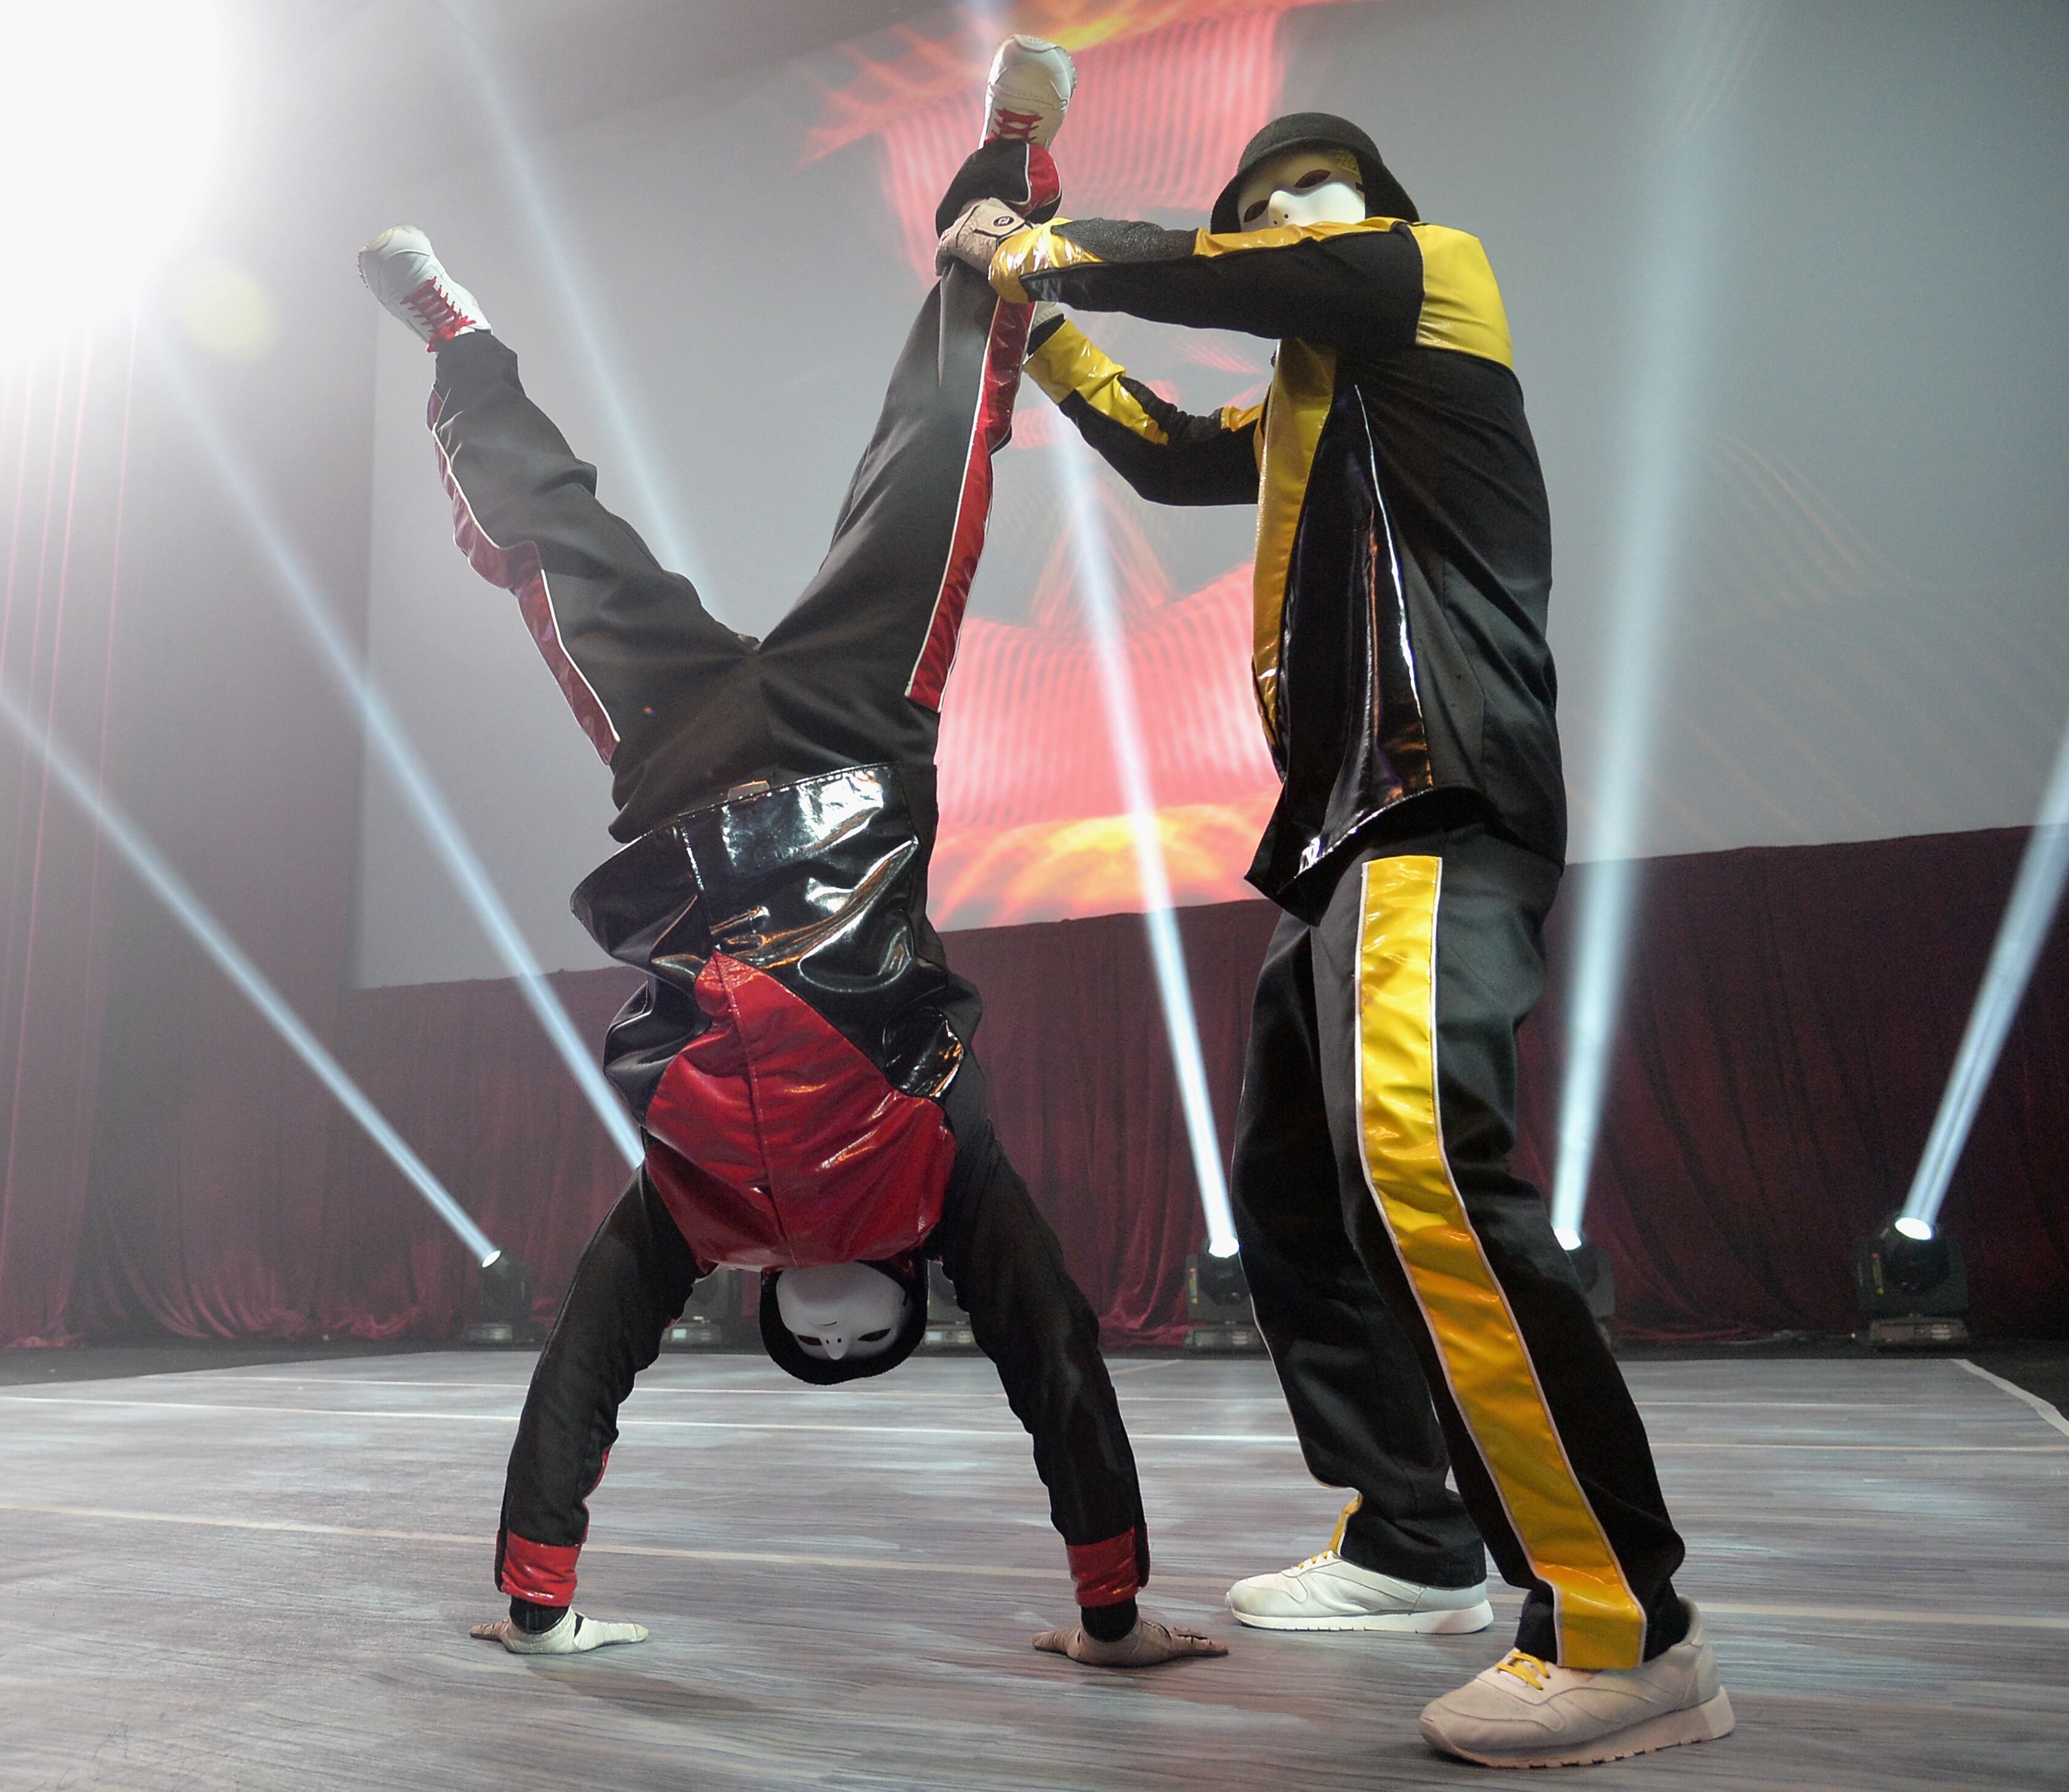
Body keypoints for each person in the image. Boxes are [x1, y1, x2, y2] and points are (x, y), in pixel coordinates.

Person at [356, 38, 1221, 1673]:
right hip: (710, 768)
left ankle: (1009, 163)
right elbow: (591, 1367)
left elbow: (1052, 1348)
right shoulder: (698, 1207)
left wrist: (1116, 1598)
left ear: (903, 1274)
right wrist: (533, 1596)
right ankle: (461, 345)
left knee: (928, 453)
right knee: (588, 546)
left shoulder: (921, 1174)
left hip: (825, 744)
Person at [941, 113, 1734, 1764]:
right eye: (1265, 203)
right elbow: (1166, 448)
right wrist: (1038, 328)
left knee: (1423, 1162)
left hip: (1437, 795)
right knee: (1295, 1188)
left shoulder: (1427, 284)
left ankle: (1620, 1618)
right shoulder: (1312, 399)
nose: (1293, 220)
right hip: (1340, 837)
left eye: (1318, 198)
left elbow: (1262, 270)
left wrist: (1034, 246)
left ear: (1372, 224)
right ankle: (1412, 1533)